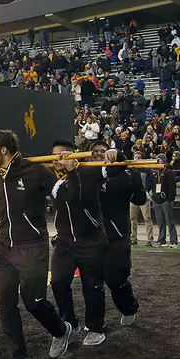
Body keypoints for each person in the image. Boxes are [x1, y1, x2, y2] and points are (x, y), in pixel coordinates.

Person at [0, 129, 75, 359]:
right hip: (2, 249)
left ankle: (62, 330)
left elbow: (62, 194)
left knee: (34, 302)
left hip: (31, 247)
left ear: (4, 150)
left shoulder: (35, 171)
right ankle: (19, 357)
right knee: (6, 304)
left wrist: (71, 171)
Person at [48, 138, 109, 347]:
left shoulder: (88, 171)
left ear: (73, 155)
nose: (58, 159)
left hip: (91, 241)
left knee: (92, 286)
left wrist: (117, 155)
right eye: (55, 155)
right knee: (57, 281)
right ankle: (69, 322)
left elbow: (116, 168)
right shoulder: (51, 179)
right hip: (64, 241)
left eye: (63, 154)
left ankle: (95, 326)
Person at [93, 141, 147, 324]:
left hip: (116, 236)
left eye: (104, 151)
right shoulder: (87, 174)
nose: (100, 155)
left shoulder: (122, 174)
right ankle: (94, 323)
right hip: (90, 237)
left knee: (116, 278)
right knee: (91, 282)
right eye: (96, 152)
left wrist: (123, 161)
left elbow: (139, 198)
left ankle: (128, 308)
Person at [151, 154, 178, 246]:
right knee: (160, 221)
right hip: (156, 199)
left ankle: (173, 240)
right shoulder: (156, 172)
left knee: (169, 221)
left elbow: (172, 186)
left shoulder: (169, 172)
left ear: (162, 160)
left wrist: (170, 198)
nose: (157, 161)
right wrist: (153, 196)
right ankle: (161, 239)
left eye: (158, 160)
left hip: (166, 200)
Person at [129, 151, 153, 246]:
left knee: (147, 218)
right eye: (136, 157)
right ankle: (133, 238)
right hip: (133, 196)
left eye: (139, 157)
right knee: (132, 218)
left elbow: (150, 182)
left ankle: (150, 239)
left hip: (144, 196)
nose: (137, 159)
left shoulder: (147, 170)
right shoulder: (130, 170)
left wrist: (145, 191)